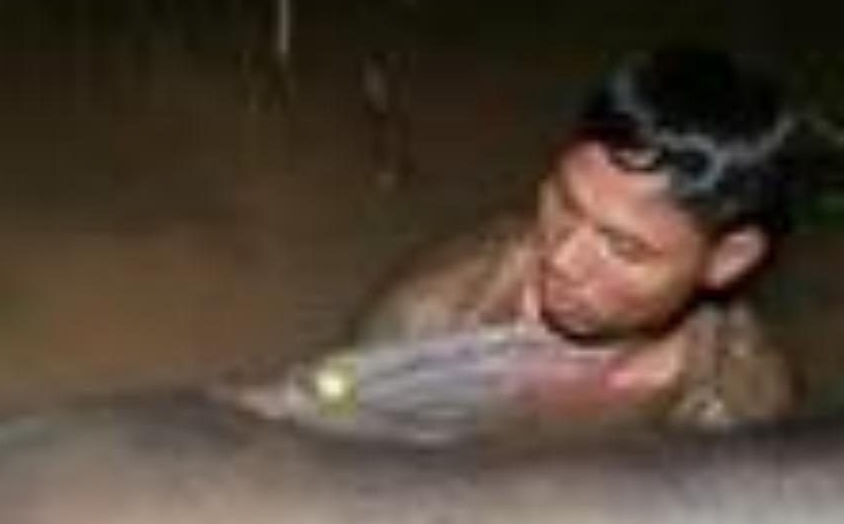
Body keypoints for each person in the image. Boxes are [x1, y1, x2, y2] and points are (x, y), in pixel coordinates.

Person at [320, 43, 803, 435]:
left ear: (728, 259)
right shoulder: (433, 314)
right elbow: (333, 436)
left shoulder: (739, 401)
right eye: (565, 203)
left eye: (623, 248)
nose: (564, 259)